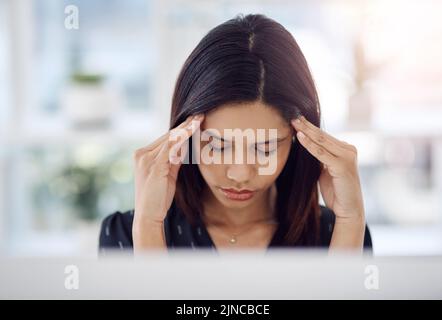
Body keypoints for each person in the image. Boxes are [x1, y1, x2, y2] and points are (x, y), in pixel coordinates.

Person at [99, 14, 372, 254]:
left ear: (297, 139)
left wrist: (350, 222)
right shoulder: (127, 233)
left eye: (265, 148)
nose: (240, 174)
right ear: (185, 136)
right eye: (217, 146)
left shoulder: (337, 232)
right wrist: (148, 227)